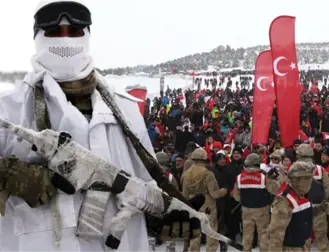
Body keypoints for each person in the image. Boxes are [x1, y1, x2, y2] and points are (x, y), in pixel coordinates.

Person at [0, 1, 200, 252]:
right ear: (38, 37)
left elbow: (144, 185)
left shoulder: (125, 110)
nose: (65, 41)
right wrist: (8, 174)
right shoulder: (10, 108)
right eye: (54, 32)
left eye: (74, 32)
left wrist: (161, 216)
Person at [232, 153, 280, 252]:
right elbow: (275, 190)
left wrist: (244, 200)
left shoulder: (239, 177)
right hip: (262, 209)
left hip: (246, 209)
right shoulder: (263, 177)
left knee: (247, 234)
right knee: (263, 234)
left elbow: (235, 196)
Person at [182, 148, 227, 252]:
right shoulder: (208, 174)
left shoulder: (186, 174)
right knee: (211, 233)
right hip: (208, 206)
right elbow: (214, 194)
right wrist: (224, 191)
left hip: (193, 206)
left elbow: (184, 194)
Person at [268, 162, 314, 252]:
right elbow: (276, 233)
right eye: (305, 178)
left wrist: (319, 209)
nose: (308, 181)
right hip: (291, 248)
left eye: (309, 178)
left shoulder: (301, 195)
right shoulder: (284, 200)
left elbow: (301, 216)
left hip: (304, 245)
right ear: (294, 180)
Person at [295, 144, 329, 252]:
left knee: (303, 239)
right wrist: (324, 200)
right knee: (321, 238)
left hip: (301, 209)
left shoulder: (294, 169)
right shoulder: (320, 169)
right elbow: (328, 188)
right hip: (318, 207)